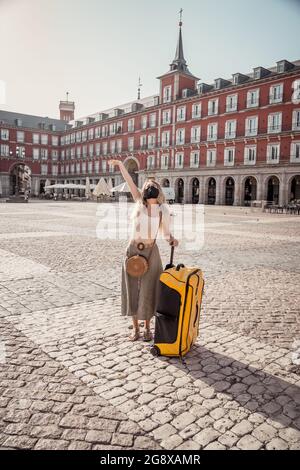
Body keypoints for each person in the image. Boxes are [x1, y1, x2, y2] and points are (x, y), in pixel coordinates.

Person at [108, 159, 178, 342]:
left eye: (152, 184)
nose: (150, 186)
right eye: (148, 184)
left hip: (151, 252)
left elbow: (166, 233)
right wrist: (120, 165)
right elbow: (129, 180)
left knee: (149, 288)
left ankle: (147, 328)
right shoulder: (139, 201)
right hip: (133, 250)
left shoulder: (163, 210)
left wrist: (172, 240)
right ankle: (136, 329)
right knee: (132, 288)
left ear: (157, 190)